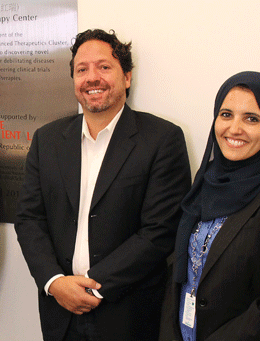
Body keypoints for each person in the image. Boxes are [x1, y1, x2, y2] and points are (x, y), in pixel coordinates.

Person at [14, 28, 191, 341]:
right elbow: (29, 219)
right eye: (82, 70)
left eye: (104, 67)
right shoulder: (48, 140)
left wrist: (94, 283)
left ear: (127, 77)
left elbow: (161, 230)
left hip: (127, 314)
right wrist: (55, 282)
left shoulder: (162, 139)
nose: (91, 78)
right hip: (60, 311)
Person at [159, 71, 260, 341]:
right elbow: (179, 274)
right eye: (226, 114)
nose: (234, 128)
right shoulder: (208, 179)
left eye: (252, 119)